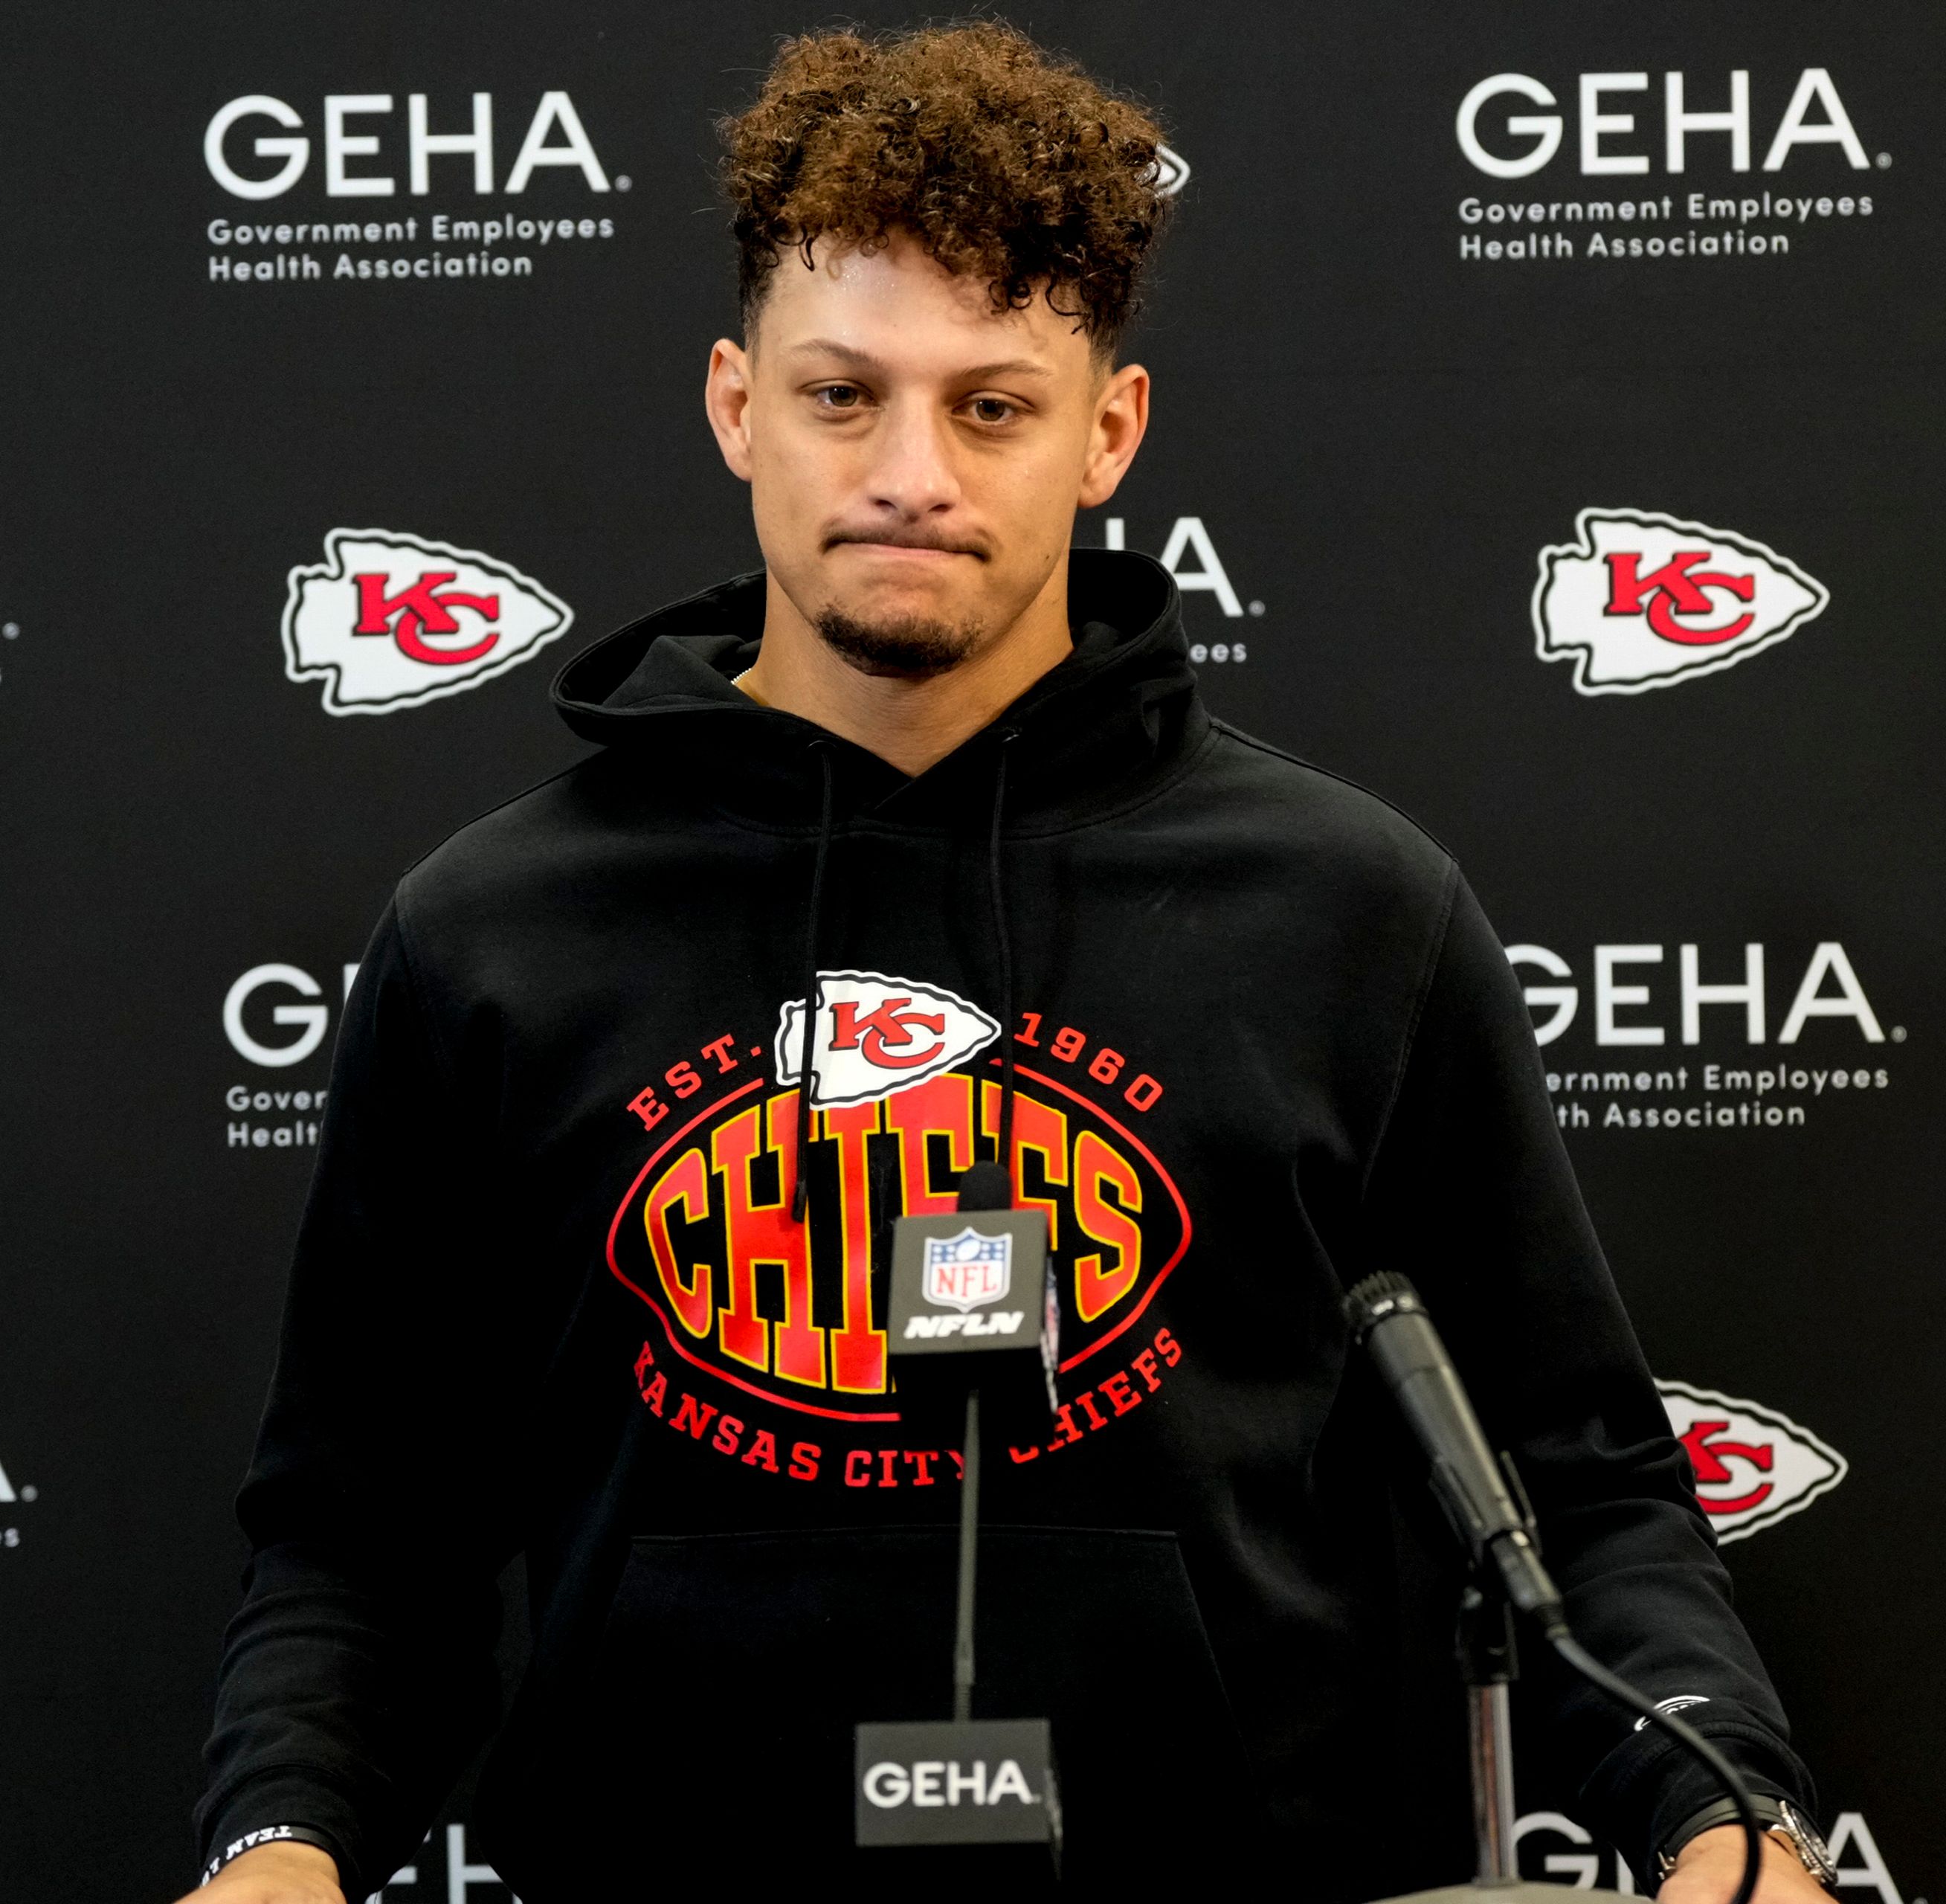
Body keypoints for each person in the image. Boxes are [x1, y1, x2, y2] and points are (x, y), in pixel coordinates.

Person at [183, 23, 1835, 1904]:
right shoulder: (498, 929)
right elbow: (355, 1531)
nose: (909, 469)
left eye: (990, 404)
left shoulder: (1346, 904)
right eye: (840, 395)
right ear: (735, 406)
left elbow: (1582, 1474)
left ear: (1107, 431)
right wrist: (278, 1845)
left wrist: (1732, 1814)